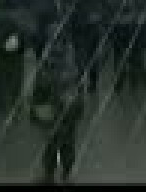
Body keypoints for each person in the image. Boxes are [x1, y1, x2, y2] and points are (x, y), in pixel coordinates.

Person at [30, 45, 86, 185]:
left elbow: (39, 91)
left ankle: (53, 174)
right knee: (63, 143)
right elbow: (79, 92)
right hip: (65, 112)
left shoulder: (47, 66)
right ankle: (63, 174)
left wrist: (35, 111)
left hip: (56, 111)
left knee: (53, 143)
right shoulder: (72, 65)